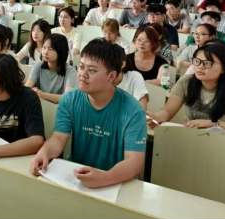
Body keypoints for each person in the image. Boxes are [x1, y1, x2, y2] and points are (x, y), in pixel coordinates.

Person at [30, 39, 147, 189]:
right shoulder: (69, 99)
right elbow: (58, 138)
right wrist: (44, 153)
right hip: (75, 176)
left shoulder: (133, 111)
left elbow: (134, 161)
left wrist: (105, 177)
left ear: (111, 76)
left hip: (117, 182)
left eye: (91, 70)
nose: (82, 75)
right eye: (81, 67)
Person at [148, 42, 225, 138]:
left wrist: (215, 124)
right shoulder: (186, 82)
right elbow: (167, 111)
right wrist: (155, 117)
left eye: (207, 63)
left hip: (223, 142)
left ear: (223, 68)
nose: (200, 66)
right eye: (197, 61)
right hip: (191, 138)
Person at [25, 34, 77, 104]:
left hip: (59, 108)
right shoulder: (38, 66)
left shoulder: (70, 71)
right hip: (40, 105)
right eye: (44, 47)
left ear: (61, 52)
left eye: (50, 49)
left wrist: (44, 95)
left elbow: (67, 98)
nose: (45, 52)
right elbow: (26, 88)